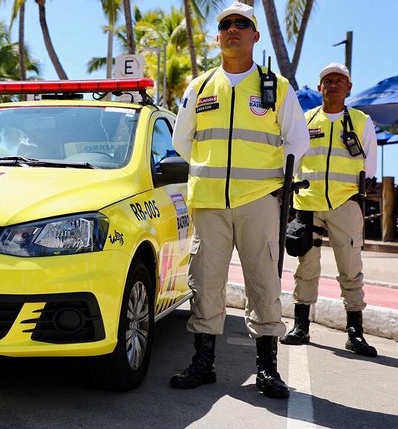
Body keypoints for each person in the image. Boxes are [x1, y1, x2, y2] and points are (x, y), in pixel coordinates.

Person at [169, 1, 310, 399]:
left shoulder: (275, 87)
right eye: (226, 24)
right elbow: (183, 141)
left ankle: (267, 368)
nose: (233, 29)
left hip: (258, 201)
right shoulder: (199, 86)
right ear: (218, 37)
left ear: (254, 35)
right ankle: (203, 362)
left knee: (263, 282)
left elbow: (297, 141)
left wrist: (274, 188)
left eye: (241, 24)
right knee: (205, 282)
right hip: (209, 202)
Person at [280, 63, 379, 357]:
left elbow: (369, 167)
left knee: (350, 269)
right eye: (327, 81)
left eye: (340, 81)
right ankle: (301, 327)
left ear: (348, 87)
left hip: (344, 204)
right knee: (305, 268)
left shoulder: (362, 122)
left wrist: (352, 197)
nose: (333, 85)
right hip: (308, 204)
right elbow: (293, 160)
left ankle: (354, 332)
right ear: (320, 87)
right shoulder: (306, 120)